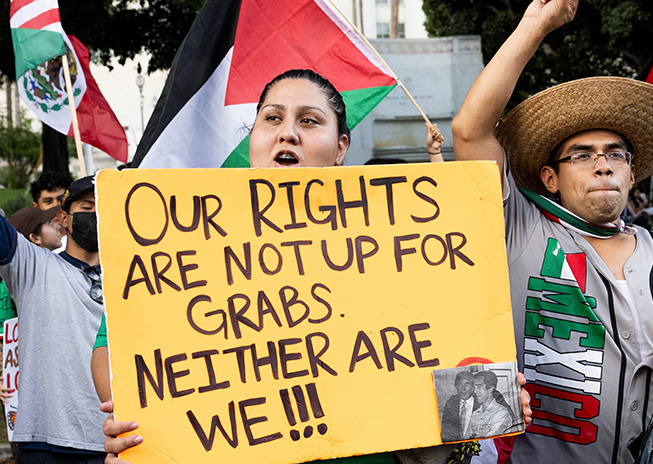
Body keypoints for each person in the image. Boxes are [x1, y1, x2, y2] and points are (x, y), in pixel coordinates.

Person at [99, 68, 532, 464]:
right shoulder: (179, 245)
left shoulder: (405, 241)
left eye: (308, 120)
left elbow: (456, 419)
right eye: (272, 118)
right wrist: (144, 434)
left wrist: (487, 406)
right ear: (252, 137)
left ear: (341, 146)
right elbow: (118, 356)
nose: (287, 133)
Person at [450, 1, 653, 462]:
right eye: (582, 155)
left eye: (616, 154)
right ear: (550, 178)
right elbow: (469, 130)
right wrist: (536, 24)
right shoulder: (522, 230)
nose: (602, 165)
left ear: (632, 173)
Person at [0, 176, 107, 463]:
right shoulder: (32, 265)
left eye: (104, 207)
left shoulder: (135, 277)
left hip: (111, 441)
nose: (96, 215)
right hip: (44, 442)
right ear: (63, 218)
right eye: (87, 207)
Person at [468, 372, 512, 438]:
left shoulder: (502, 413)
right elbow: (467, 437)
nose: (474, 391)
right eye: (474, 387)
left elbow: (488, 439)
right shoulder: (475, 414)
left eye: (479, 387)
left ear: (490, 389)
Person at [441, 371, 478, 441]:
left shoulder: (480, 403)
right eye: (460, 384)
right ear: (456, 387)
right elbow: (446, 430)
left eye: (466, 385)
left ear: (473, 387)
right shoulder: (450, 403)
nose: (463, 388)